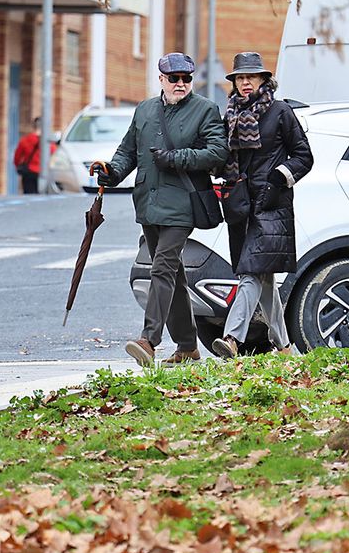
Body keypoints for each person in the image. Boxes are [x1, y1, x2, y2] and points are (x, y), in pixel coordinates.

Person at [91, 53, 228, 366]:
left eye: (186, 79)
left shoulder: (205, 109)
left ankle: (149, 340)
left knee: (162, 268)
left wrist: (177, 157)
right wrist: (112, 172)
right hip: (148, 203)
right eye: (174, 78)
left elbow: (218, 152)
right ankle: (188, 346)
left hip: (182, 202)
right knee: (173, 275)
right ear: (162, 79)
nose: (181, 84)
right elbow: (128, 151)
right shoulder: (145, 109)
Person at [210, 52, 313, 359]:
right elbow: (223, 157)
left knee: (250, 273)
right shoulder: (228, 114)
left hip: (272, 205)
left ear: (263, 80)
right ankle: (284, 348)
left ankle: (231, 338)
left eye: (250, 78)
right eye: (240, 78)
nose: (245, 83)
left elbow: (303, 157)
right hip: (240, 206)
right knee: (262, 277)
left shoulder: (280, 112)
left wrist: (278, 179)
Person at [12, 119, 53, 194]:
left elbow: (17, 157)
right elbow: (54, 155)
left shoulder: (25, 140)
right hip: (45, 173)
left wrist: (18, 166)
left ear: (34, 127)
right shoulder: (49, 142)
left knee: (29, 196)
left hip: (29, 173)